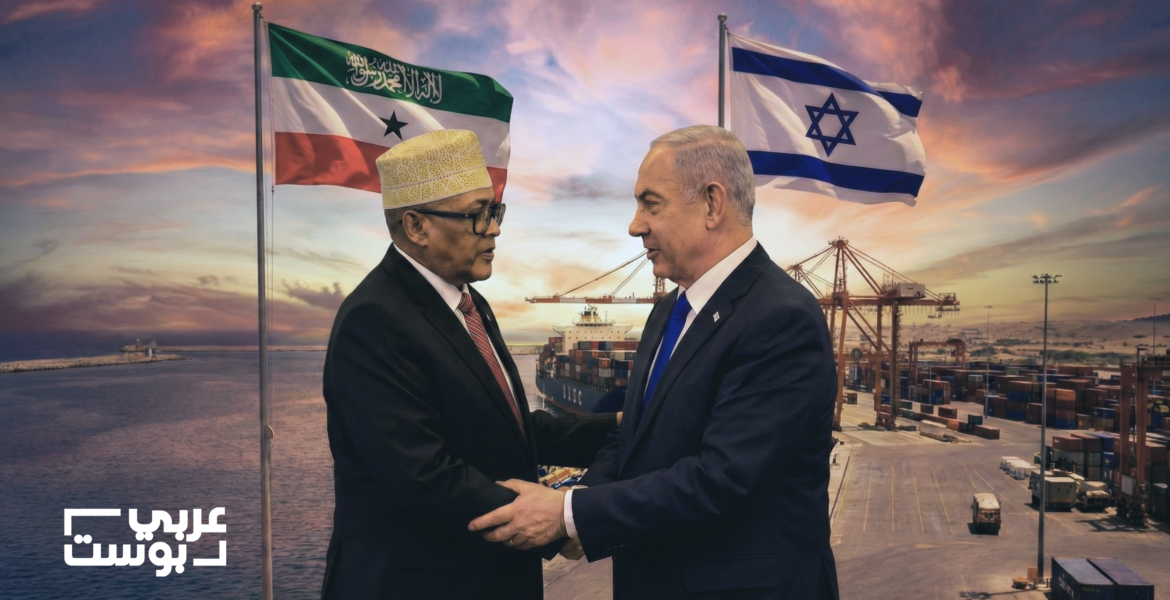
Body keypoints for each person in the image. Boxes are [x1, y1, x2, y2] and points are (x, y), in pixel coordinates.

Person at [469, 125, 840, 599]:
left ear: (712, 204)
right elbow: (633, 436)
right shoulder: (668, 311)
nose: (635, 225)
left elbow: (722, 479)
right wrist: (581, 505)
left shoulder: (781, 318)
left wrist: (566, 514)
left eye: (651, 204)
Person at [321, 129, 617, 600]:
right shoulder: (373, 319)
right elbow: (421, 475)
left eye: (495, 211)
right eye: (477, 215)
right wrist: (559, 524)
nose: (494, 229)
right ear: (416, 226)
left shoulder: (468, 302)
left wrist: (623, 424)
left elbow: (508, 431)